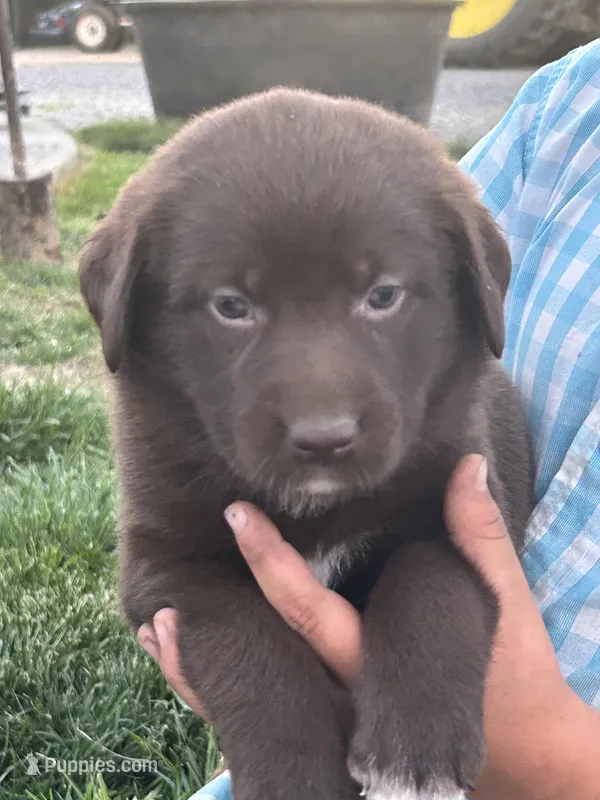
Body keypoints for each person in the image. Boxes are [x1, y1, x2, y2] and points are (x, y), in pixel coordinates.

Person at [138, 39, 600, 800]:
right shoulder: (567, 109)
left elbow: (445, 555)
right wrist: (279, 744)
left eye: (381, 297)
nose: (322, 414)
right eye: (233, 306)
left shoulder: (441, 426)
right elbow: (171, 572)